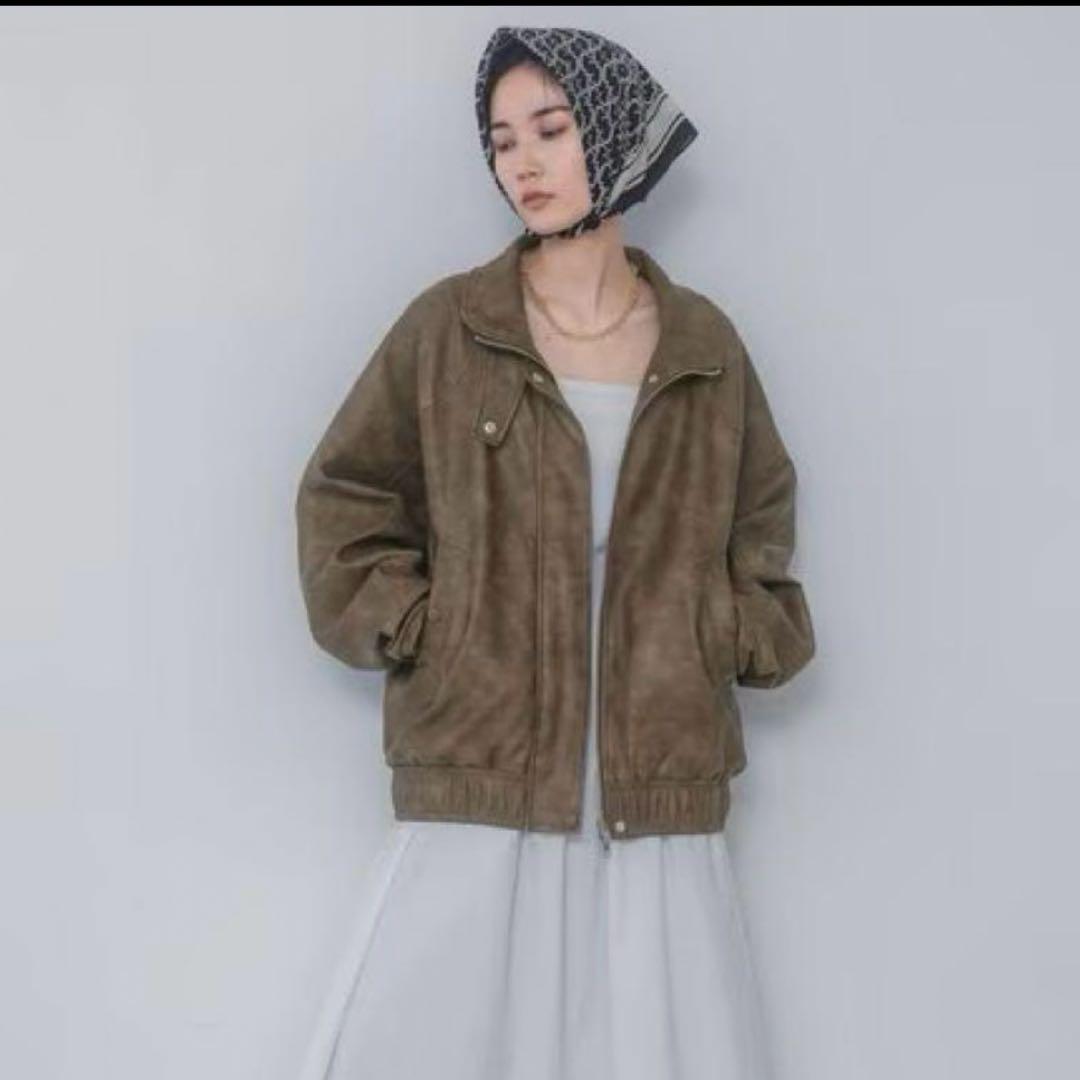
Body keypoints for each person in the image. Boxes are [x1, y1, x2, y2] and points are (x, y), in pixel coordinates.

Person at [295, 26, 813, 1080]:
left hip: (655, 784)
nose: (522, 163)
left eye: (551, 129)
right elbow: (342, 500)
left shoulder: (704, 346)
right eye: (502, 141)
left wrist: (722, 632)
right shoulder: (450, 329)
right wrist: (435, 630)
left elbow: (760, 522)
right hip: (483, 766)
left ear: (613, 134)